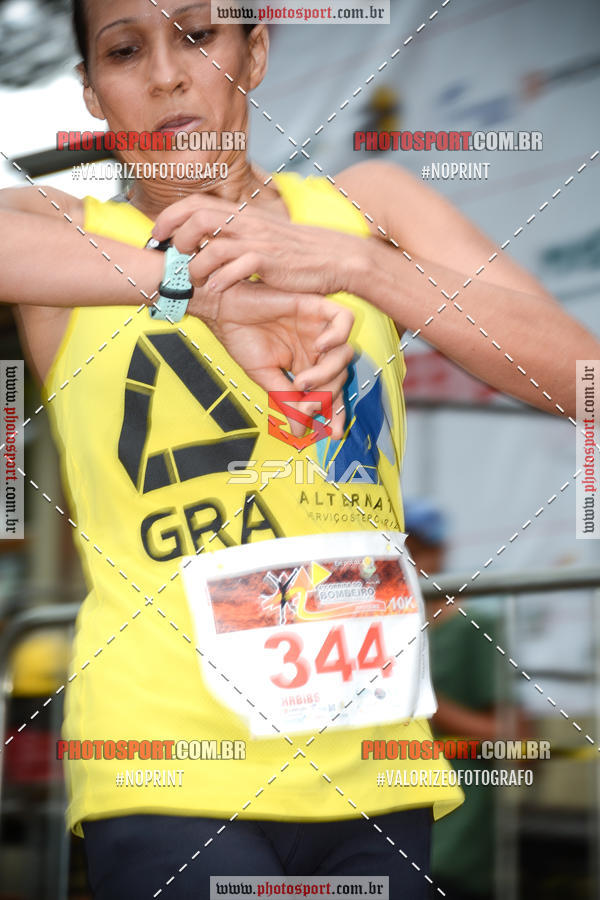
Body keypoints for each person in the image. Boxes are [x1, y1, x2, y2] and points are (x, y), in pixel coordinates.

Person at [0, 4, 598, 898]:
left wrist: (359, 267)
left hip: (375, 765)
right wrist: (189, 285)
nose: (166, 75)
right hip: (168, 763)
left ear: (257, 49)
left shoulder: (365, 206)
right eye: (125, 50)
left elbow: (580, 376)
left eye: (199, 36)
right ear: (92, 90)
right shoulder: (64, 228)